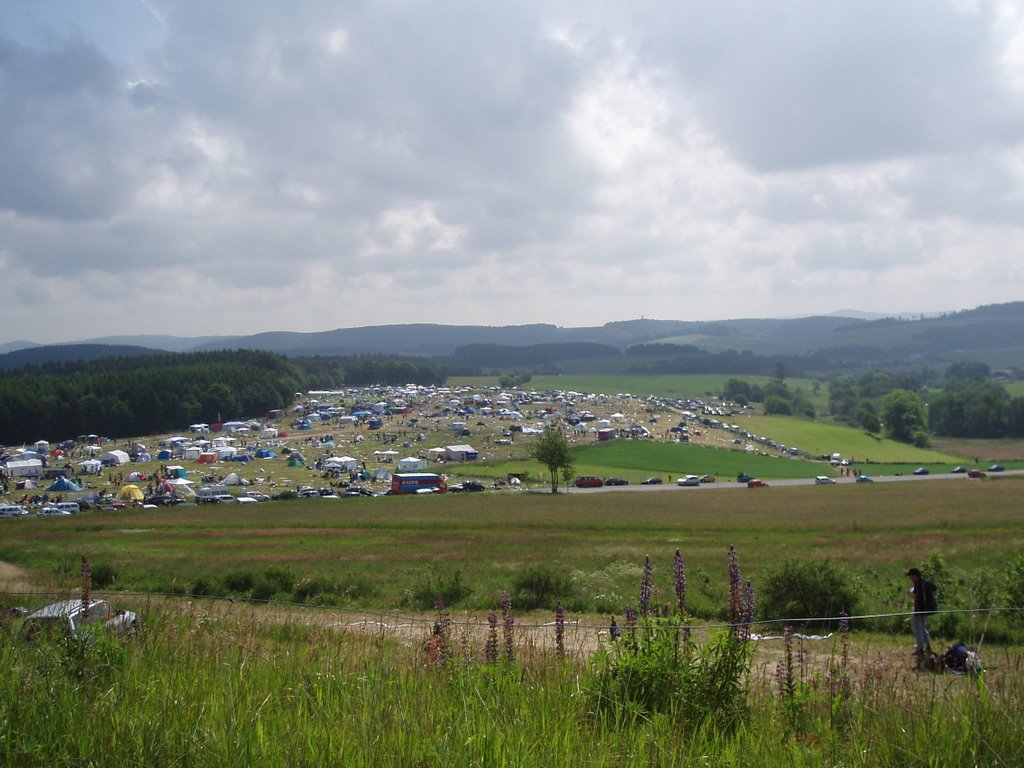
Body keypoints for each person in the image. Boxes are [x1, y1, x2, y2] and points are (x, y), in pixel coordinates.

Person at [906, 567, 937, 665]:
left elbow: (917, 597)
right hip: (926, 610)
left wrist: (910, 594)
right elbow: (934, 587)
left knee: (917, 628)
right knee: (924, 627)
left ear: (915, 576)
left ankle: (920, 648)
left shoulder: (919, 585)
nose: (910, 579)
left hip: (919, 610)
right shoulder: (925, 582)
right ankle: (927, 646)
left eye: (911, 576)